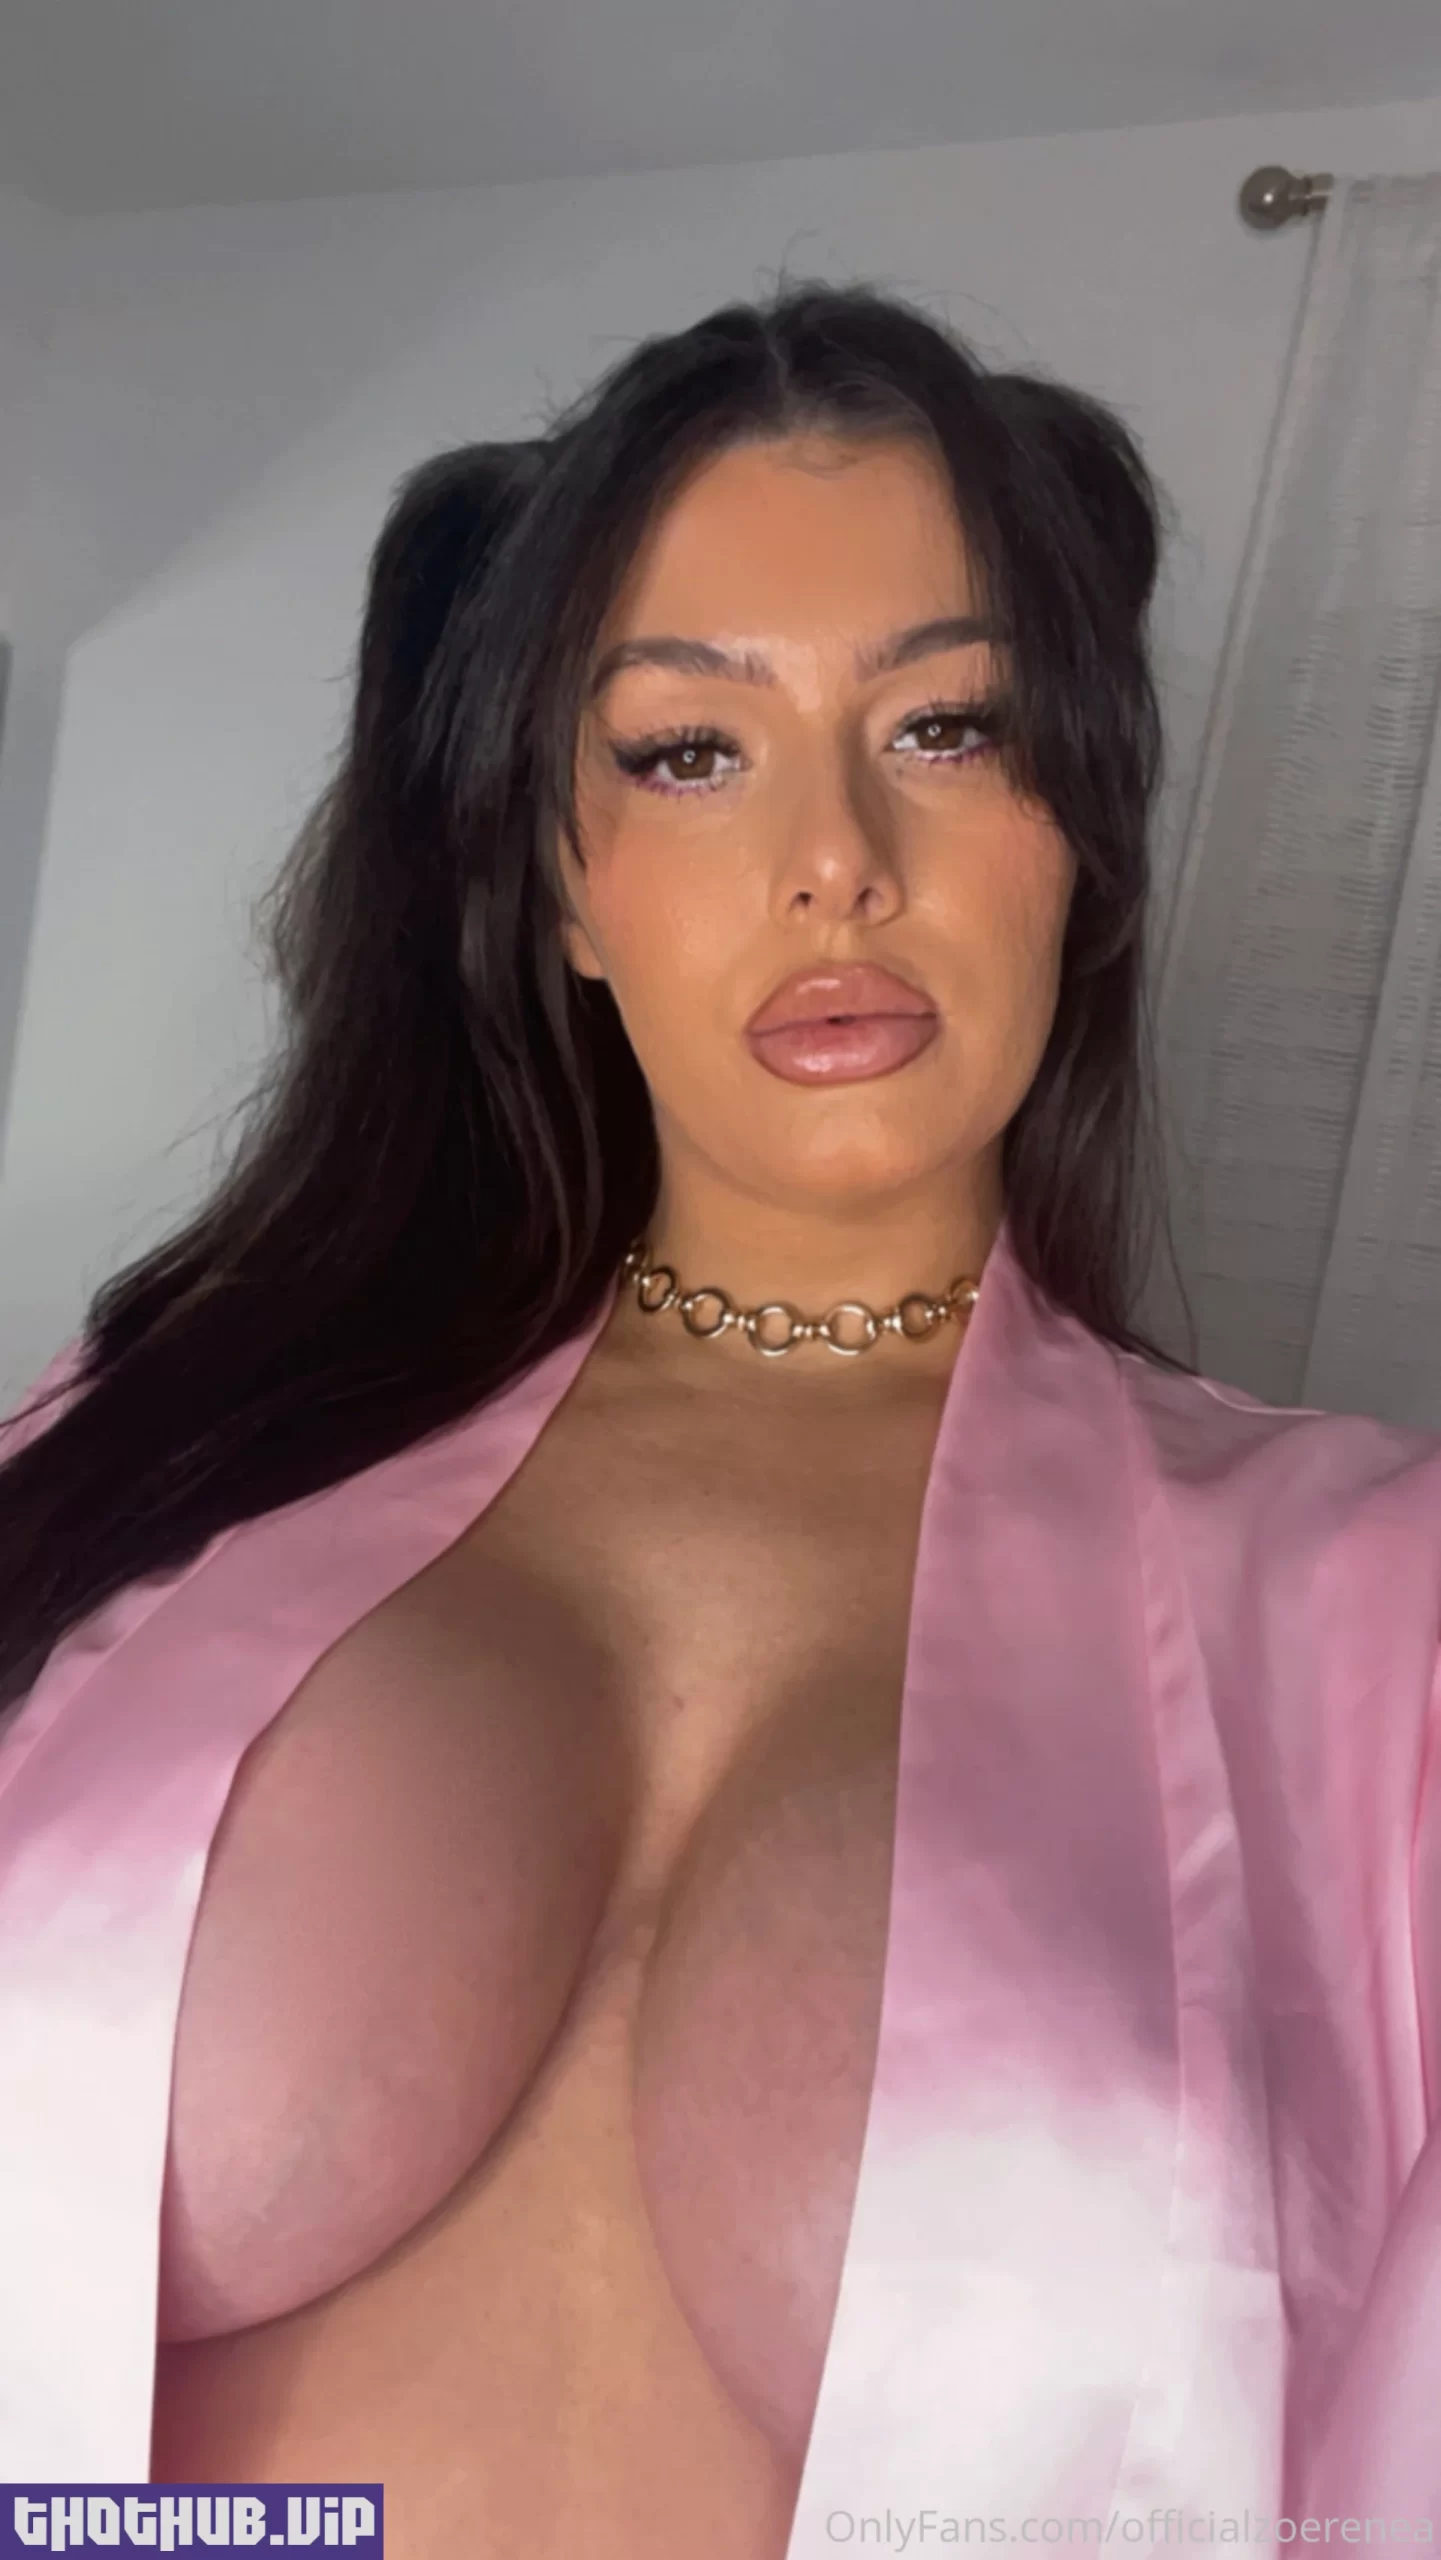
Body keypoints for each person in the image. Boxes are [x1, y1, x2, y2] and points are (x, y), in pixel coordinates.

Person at [0, 282, 1439, 2560]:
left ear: (1082, 832)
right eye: (690, 748)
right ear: (564, 885)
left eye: (948, 724)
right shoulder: (147, 1454)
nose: (835, 854)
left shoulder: (1382, 1622)